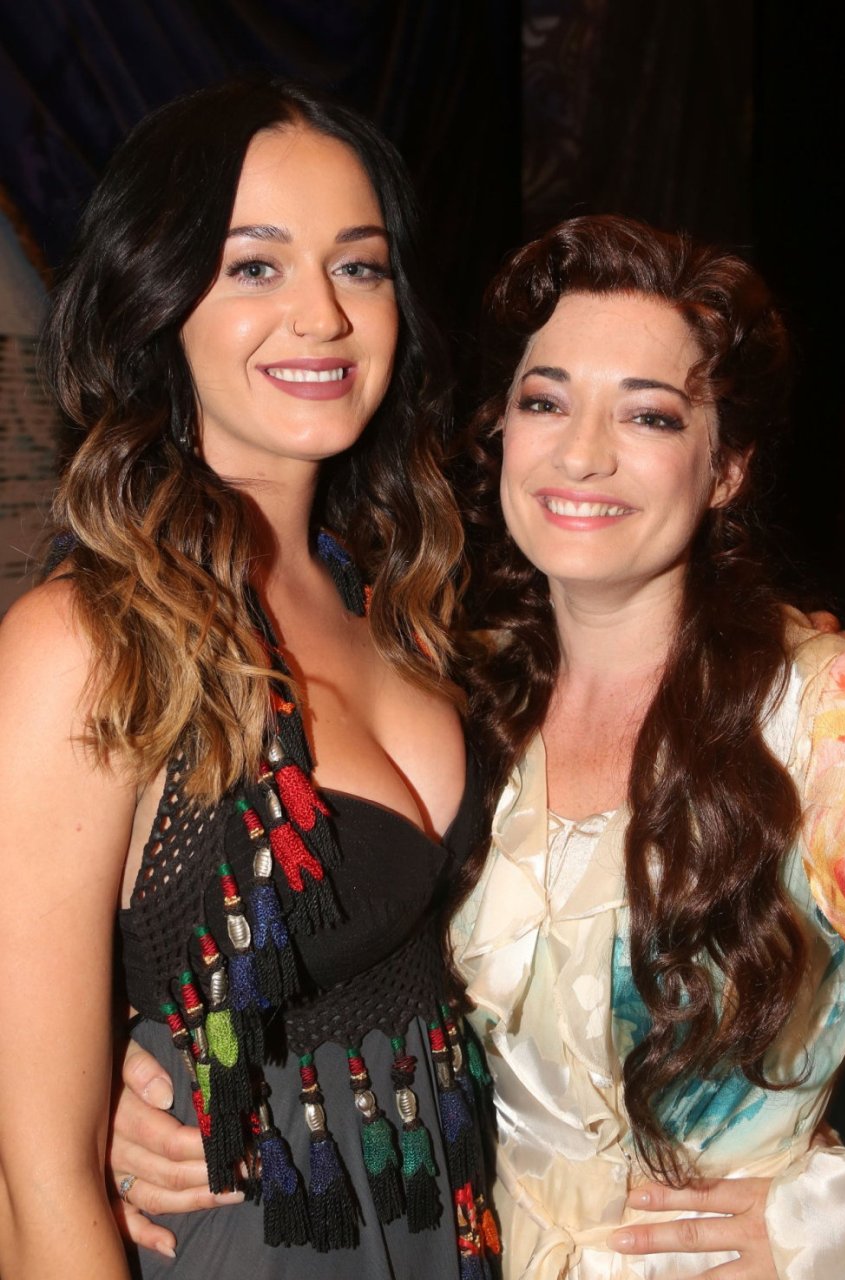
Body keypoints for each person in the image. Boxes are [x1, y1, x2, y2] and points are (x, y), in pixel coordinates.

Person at [0, 77, 499, 1280]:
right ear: (159, 298)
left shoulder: (404, 600)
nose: (321, 314)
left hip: (448, 1228)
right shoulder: (85, 643)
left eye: (359, 265)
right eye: (256, 266)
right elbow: (38, 1182)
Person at [448, 214, 845, 1278]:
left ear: (726, 466)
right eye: (545, 400)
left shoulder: (830, 717)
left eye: (648, 414)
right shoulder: (453, 696)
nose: (581, 452)